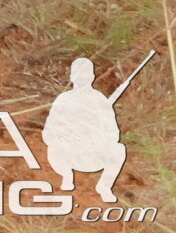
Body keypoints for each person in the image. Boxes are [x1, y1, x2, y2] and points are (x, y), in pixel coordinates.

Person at [42, 58, 126, 202]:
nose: (82, 78)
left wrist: (98, 139)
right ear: (72, 76)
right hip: (69, 155)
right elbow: (49, 131)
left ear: (92, 77)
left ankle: (104, 186)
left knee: (119, 150)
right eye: (78, 74)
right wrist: (65, 139)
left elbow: (113, 132)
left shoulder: (99, 100)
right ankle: (67, 177)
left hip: (94, 155)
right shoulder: (63, 99)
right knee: (54, 148)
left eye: (85, 74)